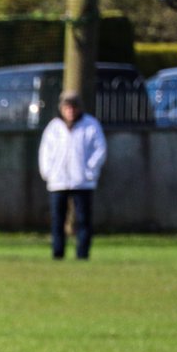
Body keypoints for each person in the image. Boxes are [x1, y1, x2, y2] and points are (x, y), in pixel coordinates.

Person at [38, 91, 107, 260]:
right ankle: (58, 253)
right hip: (58, 181)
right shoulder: (53, 127)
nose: (70, 111)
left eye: (73, 107)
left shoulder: (90, 125)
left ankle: (82, 254)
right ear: (62, 109)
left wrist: (89, 171)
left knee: (83, 220)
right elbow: (45, 152)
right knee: (57, 220)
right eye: (67, 107)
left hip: (82, 181)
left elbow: (100, 150)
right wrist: (48, 173)